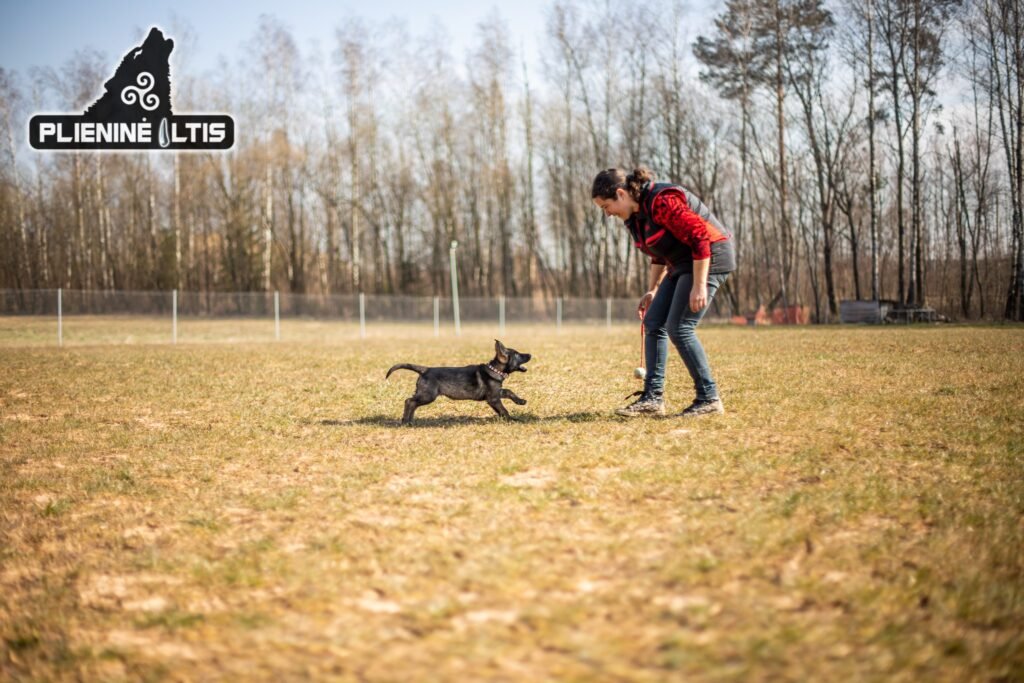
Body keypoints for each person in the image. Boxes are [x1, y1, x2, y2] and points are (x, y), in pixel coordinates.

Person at [591, 167, 736, 417]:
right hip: (681, 263)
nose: (607, 214)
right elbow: (658, 253)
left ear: (620, 194)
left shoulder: (662, 200)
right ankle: (652, 399)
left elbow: (700, 238)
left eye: (606, 206)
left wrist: (700, 284)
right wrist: (653, 290)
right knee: (654, 321)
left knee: (679, 327)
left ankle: (709, 398)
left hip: (710, 256)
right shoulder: (635, 218)